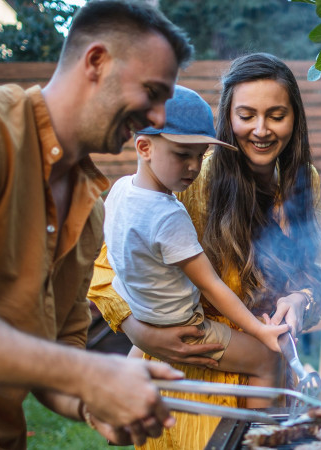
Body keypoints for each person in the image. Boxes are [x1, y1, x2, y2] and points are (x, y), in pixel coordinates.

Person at [0, 1, 199, 448]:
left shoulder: (90, 206)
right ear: (96, 61)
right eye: (152, 93)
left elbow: (61, 345)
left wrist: (91, 403)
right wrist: (86, 374)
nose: (156, 118)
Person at [88, 52, 321, 450]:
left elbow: (318, 274)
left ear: (295, 119)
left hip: (265, 374)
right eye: (247, 114)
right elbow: (111, 268)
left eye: (276, 115)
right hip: (190, 372)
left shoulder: (305, 182)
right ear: (227, 117)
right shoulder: (191, 174)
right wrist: (143, 333)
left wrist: (302, 299)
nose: (261, 130)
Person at [105, 85, 289, 406]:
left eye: (200, 154)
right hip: (183, 325)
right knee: (267, 361)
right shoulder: (168, 215)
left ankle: (114, 398)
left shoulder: (120, 190)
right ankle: (258, 438)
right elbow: (211, 286)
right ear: (144, 147)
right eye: (182, 154)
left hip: (142, 312)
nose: (194, 166)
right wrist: (261, 333)